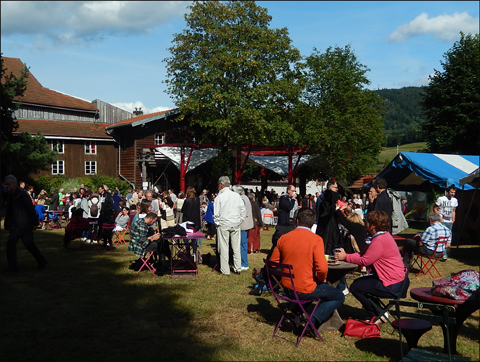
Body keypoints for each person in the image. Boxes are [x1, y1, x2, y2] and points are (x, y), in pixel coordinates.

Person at [270, 208, 345, 330]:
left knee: (311, 288)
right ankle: (312, 320)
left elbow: (273, 263)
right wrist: (320, 279)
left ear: (297, 221)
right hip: (304, 288)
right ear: (312, 224)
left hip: (287, 286)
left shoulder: (284, 238)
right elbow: (322, 268)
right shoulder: (316, 240)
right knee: (339, 296)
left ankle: (295, 315)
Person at [335, 210, 409, 322]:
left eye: (367, 222)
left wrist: (345, 257)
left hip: (392, 284)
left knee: (356, 287)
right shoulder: (384, 236)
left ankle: (377, 314)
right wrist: (346, 255)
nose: (365, 223)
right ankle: (379, 311)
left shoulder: (379, 241)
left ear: (373, 225)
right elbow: (363, 253)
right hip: (398, 280)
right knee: (360, 284)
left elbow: (365, 261)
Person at [3, 175, 48, 272]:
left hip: (23, 224)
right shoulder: (10, 195)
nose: (6, 186)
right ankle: (14, 267)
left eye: (8, 184)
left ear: (14, 184)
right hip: (15, 225)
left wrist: (35, 223)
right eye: (5, 184)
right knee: (16, 245)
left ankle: (41, 261)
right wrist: (7, 223)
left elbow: (30, 209)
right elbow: (9, 211)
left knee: (27, 244)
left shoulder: (22, 195)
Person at [213, 176, 246, 275]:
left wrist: (218, 223)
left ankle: (225, 270)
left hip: (224, 223)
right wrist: (240, 220)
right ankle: (238, 268)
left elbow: (216, 213)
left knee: (224, 247)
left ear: (221, 185)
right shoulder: (236, 195)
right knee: (236, 247)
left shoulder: (219, 197)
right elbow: (243, 210)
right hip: (235, 223)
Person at [315, 180, 343, 255]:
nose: (337, 189)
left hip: (328, 225)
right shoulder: (325, 198)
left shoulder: (327, 198)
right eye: (335, 188)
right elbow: (324, 212)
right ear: (330, 188)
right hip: (327, 226)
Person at [270, 185, 297, 255]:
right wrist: (293, 199)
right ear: (288, 191)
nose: (294, 193)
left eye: (294, 191)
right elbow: (289, 207)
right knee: (281, 234)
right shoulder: (283, 198)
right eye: (293, 191)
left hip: (288, 219)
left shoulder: (288, 198)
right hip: (283, 220)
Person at [433, 184, 458, 260]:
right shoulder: (441, 199)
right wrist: (439, 218)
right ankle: (440, 253)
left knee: (448, 238)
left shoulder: (455, 200)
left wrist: (453, 219)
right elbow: (435, 208)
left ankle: (445, 253)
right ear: (447, 192)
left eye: (454, 192)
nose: (452, 194)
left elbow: (454, 210)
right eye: (451, 192)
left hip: (449, 221)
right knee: (441, 237)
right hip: (442, 220)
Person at [233, 185, 254, 271]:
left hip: (243, 225)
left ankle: (244, 263)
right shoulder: (245, 197)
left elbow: (241, 211)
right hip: (246, 223)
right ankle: (243, 262)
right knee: (243, 244)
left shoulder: (241, 199)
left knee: (242, 245)